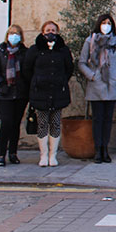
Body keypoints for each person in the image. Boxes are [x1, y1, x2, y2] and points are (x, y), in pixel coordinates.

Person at [78, 13, 116, 164]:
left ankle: (105, 149)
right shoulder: (90, 41)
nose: (106, 26)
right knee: (97, 119)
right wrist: (92, 76)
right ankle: (97, 150)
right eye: (103, 23)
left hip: (112, 86)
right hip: (96, 85)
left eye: (108, 23)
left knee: (108, 120)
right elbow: (82, 63)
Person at [23, 21, 73, 167]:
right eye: (47, 30)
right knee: (43, 123)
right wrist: (36, 82)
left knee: (56, 123)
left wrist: (61, 81)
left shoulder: (63, 50)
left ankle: (53, 155)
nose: (50, 32)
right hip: (40, 92)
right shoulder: (34, 50)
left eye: (53, 30)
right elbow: (27, 69)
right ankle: (43, 155)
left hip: (58, 92)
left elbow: (69, 68)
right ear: (42, 32)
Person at [0, 24, 29, 166]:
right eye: (12, 33)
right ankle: (1, 154)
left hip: (20, 93)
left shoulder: (25, 52)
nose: (14, 35)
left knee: (15, 124)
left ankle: (13, 152)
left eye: (17, 33)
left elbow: (28, 71)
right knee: (6, 123)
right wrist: (1, 83)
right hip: (5, 92)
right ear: (7, 35)